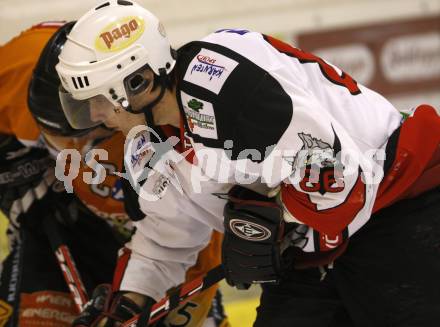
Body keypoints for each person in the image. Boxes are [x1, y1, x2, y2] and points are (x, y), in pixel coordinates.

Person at [56, 1, 440, 326]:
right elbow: (164, 238)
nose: (94, 114)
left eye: (99, 99)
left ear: (138, 83)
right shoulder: (148, 143)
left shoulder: (225, 84)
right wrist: (129, 304)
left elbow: (339, 181)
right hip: (316, 255)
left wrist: (273, 217)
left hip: (400, 205)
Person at [1, 20, 228, 327]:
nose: (74, 150)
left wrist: (151, 304)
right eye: (56, 137)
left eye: (86, 138)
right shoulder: (21, 63)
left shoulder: (163, 134)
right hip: (68, 224)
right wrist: (16, 172)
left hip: (168, 247)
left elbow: (183, 241)